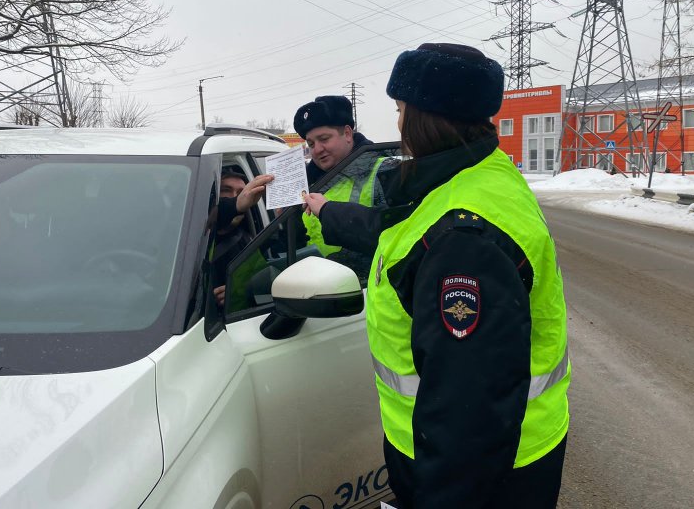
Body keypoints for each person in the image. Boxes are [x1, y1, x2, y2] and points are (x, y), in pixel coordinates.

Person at [304, 43, 570, 508]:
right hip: (497, 454)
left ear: (428, 116)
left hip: (484, 474)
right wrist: (328, 212)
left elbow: (467, 420)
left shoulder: (465, 240)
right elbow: (400, 236)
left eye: (401, 109)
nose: (399, 122)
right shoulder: (474, 176)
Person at [293, 95, 383, 260]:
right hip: (312, 282)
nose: (317, 149)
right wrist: (288, 220)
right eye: (311, 144)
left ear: (348, 134)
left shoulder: (383, 171)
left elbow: (391, 235)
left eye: (324, 139)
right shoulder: (306, 184)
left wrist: (330, 212)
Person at [212, 170, 273, 307]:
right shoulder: (192, 238)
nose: (236, 197)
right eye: (226, 190)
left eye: (242, 192)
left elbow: (264, 285)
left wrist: (240, 293)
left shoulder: (249, 240)